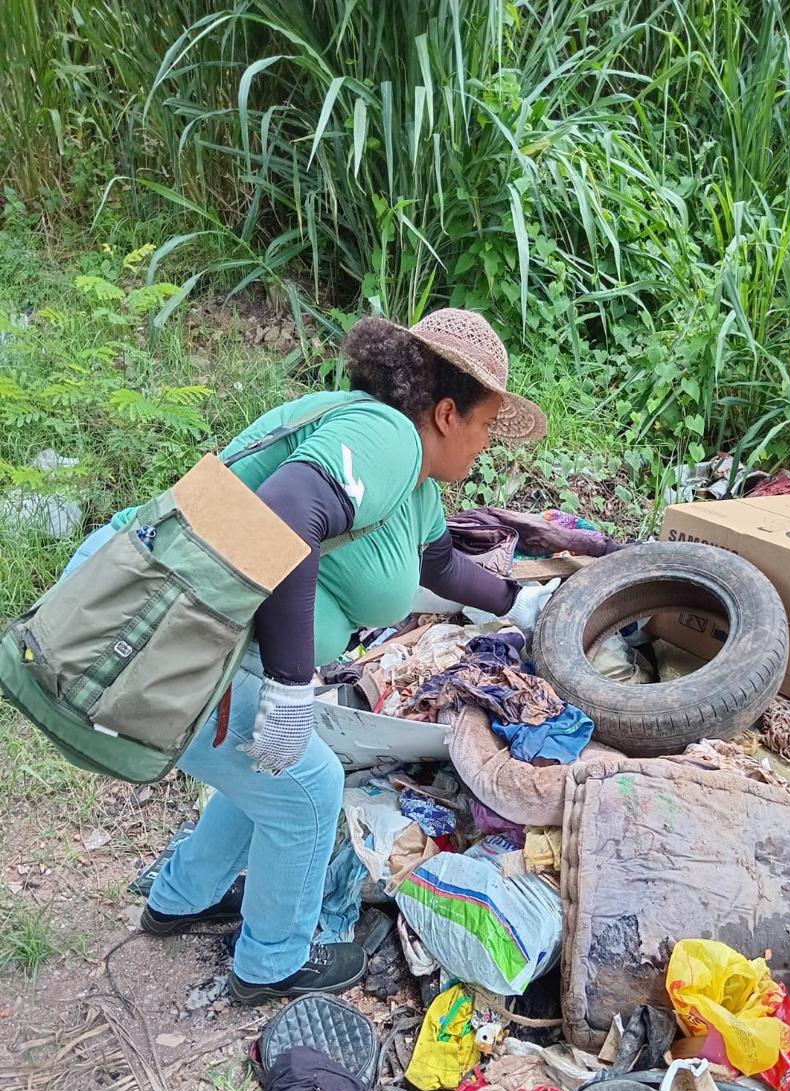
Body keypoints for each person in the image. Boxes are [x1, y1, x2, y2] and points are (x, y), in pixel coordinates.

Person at [65, 308, 550, 1004]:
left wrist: (520, 604)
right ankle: (272, 965)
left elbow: (440, 564)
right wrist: (294, 687)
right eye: (484, 428)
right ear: (447, 413)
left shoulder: (409, 476)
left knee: (266, 767)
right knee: (307, 784)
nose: (487, 448)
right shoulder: (383, 435)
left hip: (196, 634)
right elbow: (288, 509)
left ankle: (182, 898)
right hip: (158, 633)